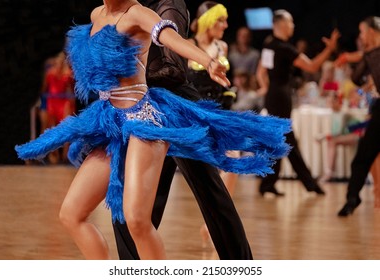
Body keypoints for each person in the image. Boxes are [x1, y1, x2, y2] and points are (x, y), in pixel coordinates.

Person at [15, 0, 291, 259]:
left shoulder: (137, 13)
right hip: (110, 122)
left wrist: (207, 61)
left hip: (145, 121)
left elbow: (170, 37)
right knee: (71, 214)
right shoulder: (96, 15)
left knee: (137, 218)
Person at [112, 0, 253, 260]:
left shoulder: (168, 4)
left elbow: (170, 65)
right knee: (131, 201)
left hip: (173, 106)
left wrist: (135, 84)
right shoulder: (128, 7)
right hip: (143, 108)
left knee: (209, 191)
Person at [256, 9, 340, 196]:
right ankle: (310, 183)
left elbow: (261, 72)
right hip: (281, 97)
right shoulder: (286, 48)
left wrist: (266, 88)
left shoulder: (269, 44)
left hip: (273, 96)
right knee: (288, 140)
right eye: (291, 22)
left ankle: (268, 183)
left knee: (280, 139)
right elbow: (312, 66)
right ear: (282, 25)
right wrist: (329, 49)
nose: (293, 26)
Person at [186, 1, 240, 242]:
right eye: (221, 20)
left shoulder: (222, 46)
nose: (226, 25)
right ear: (208, 20)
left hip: (220, 113)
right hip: (195, 116)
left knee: (233, 160)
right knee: (203, 172)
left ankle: (218, 218)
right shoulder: (188, 46)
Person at [335, 16, 380, 216]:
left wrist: (360, 56)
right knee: (363, 156)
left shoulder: (371, 53)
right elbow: (355, 78)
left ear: (372, 31)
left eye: (362, 32)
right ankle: (352, 198)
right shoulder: (370, 54)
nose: (361, 37)